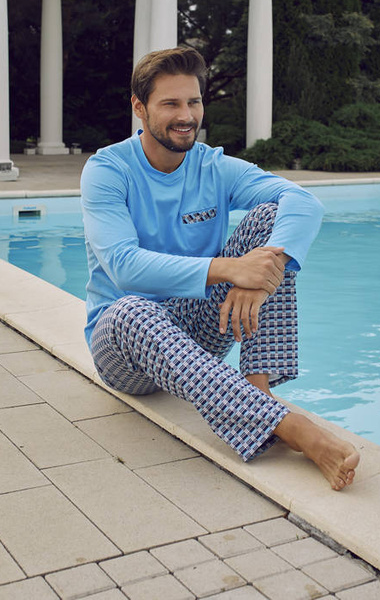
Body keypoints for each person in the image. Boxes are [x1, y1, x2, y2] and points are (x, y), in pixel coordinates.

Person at [81, 47, 360, 490]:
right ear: (139, 107)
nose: (186, 115)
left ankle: (258, 388)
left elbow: (302, 201)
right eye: (170, 104)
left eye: (193, 102)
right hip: (124, 348)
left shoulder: (213, 165)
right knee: (130, 309)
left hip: (196, 329)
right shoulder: (107, 170)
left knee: (272, 221)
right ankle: (288, 426)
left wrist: (262, 272)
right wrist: (230, 270)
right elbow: (123, 267)